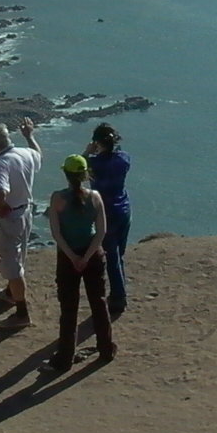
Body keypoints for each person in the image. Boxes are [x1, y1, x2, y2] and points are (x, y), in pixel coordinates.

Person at [45, 154, 115, 373]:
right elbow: (101, 231)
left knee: (69, 309)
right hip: (93, 256)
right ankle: (106, 350)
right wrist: (86, 257)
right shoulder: (95, 197)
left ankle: (64, 359)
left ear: (66, 174)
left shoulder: (57, 198)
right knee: (99, 302)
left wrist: (73, 257)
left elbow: (56, 233)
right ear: (85, 175)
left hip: (68, 258)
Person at [0, 118, 41, 330]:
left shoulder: (2, 162)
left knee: (12, 266)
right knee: (19, 255)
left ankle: (22, 313)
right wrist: (29, 136)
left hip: (10, 218)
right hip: (26, 211)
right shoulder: (24, 153)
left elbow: (1, 190)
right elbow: (38, 156)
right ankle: (11, 293)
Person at [84, 123, 132, 319]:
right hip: (124, 209)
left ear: (97, 142)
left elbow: (79, 168)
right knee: (118, 255)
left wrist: (88, 151)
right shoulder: (124, 159)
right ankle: (119, 292)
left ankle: (118, 297)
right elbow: (120, 154)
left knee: (111, 257)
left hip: (106, 212)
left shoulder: (94, 164)